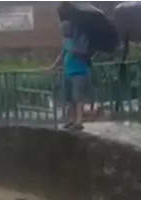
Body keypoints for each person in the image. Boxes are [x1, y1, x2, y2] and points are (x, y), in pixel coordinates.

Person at [49, 3, 93, 131]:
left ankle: (79, 121)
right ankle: (71, 119)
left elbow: (84, 52)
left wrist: (75, 50)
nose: (63, 30)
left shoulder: (81, 37)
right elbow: (62, 54)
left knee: (77, 97)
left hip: (79, 71)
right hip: (68, 71)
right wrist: (53, 66)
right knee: (69, 98)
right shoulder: (66, 40)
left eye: (65, 29)